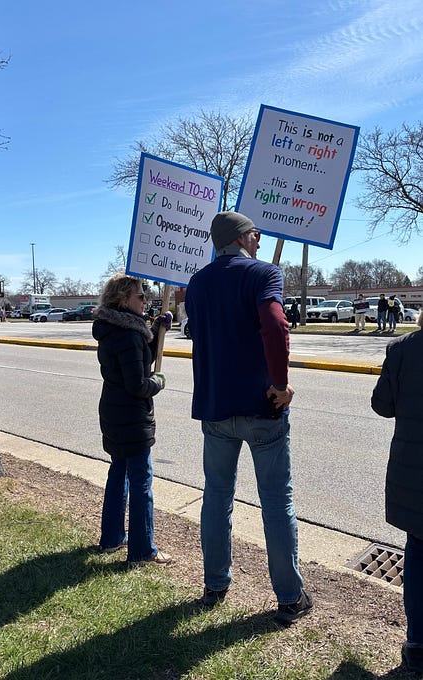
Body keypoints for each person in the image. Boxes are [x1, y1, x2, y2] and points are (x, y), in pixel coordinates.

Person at [185, 210, 313, 622]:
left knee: (217, 496)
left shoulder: (197, 282)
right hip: (263, 405)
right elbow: (276, 326)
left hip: (216, 406)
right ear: (242, 237)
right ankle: (290, 598)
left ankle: (215, 584)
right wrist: (281, 382)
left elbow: (198, 333)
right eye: (255, 234)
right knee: (276, 500)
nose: (258, 240)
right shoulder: (264, 274)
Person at [92, 274, 173, 566]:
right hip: (130, 417)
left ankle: (112, 538)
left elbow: (137, 360)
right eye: (141, 296)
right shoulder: (127, 334)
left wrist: (155, 329)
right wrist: (158, 383)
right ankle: (142, 550)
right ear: (124, 300)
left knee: (119, 473)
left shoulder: (116, 328)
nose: (146, 300)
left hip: (114, 413)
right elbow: (138, 383)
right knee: (141, 481)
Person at [371, 309, 423, 675]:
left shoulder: (401, 349)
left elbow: (381, 405)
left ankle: (418, 644)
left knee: (418, 556)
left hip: (413, 474)